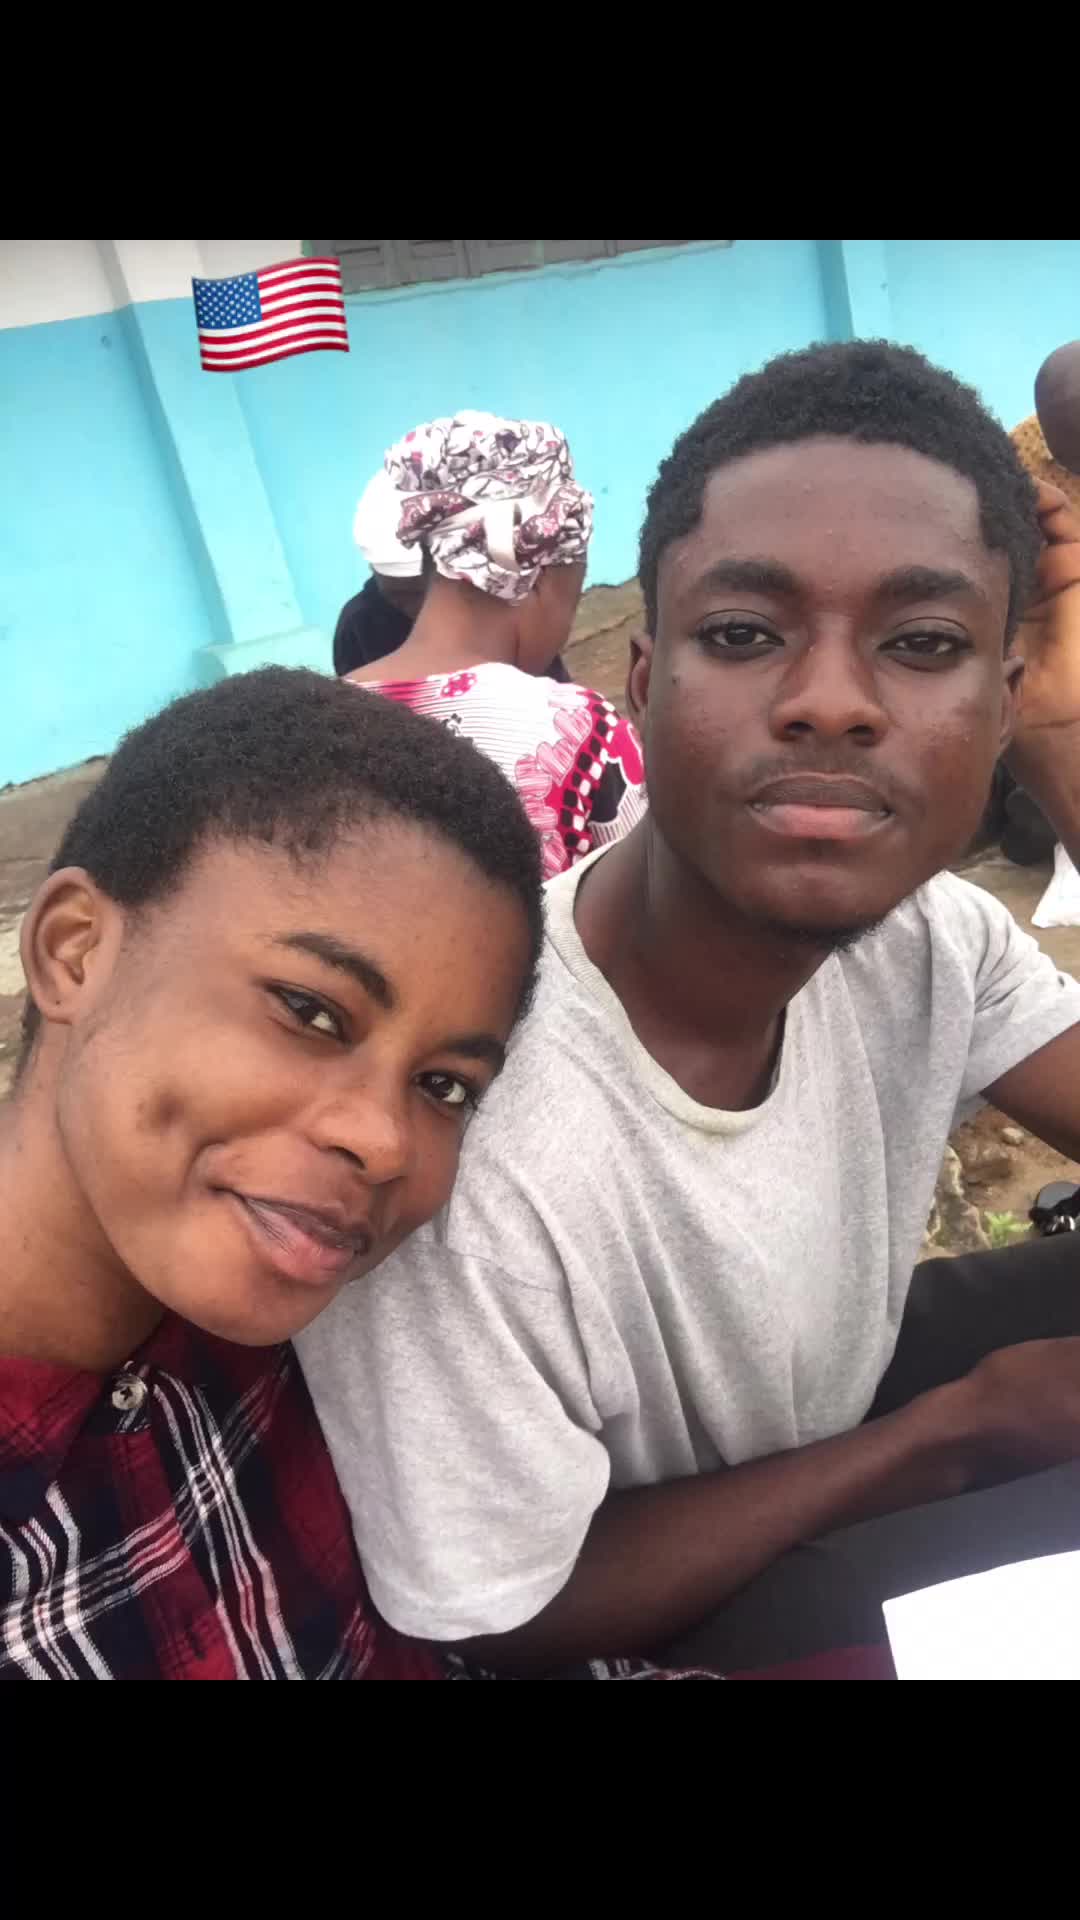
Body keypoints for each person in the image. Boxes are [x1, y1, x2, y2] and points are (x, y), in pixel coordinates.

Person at [297, 342, 1080, 1679]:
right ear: (642, 685)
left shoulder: (928, 943)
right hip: (618, 1618)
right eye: (744, 634)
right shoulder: (463, 1128)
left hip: (811, 1418)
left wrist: (1064, 752)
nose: (830, 702)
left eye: (924, 644)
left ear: (1001, 704)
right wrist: (947, 1438)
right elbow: (508, 1620)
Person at [0, 667, 543, 1681]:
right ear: (74, 953)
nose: (385, 1143)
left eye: (444, 1086)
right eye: (311, 1011)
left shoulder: (327, 1343)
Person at [343, 412, 646, 880]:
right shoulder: (580, 730)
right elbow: (641, 890)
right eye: (573, 595)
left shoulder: (321, 717)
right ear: (537, 577)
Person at [334, 458, 572, 684]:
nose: (424, 610)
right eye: (404, 597)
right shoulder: (359, 626)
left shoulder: (501, 596)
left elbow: (552, 689)